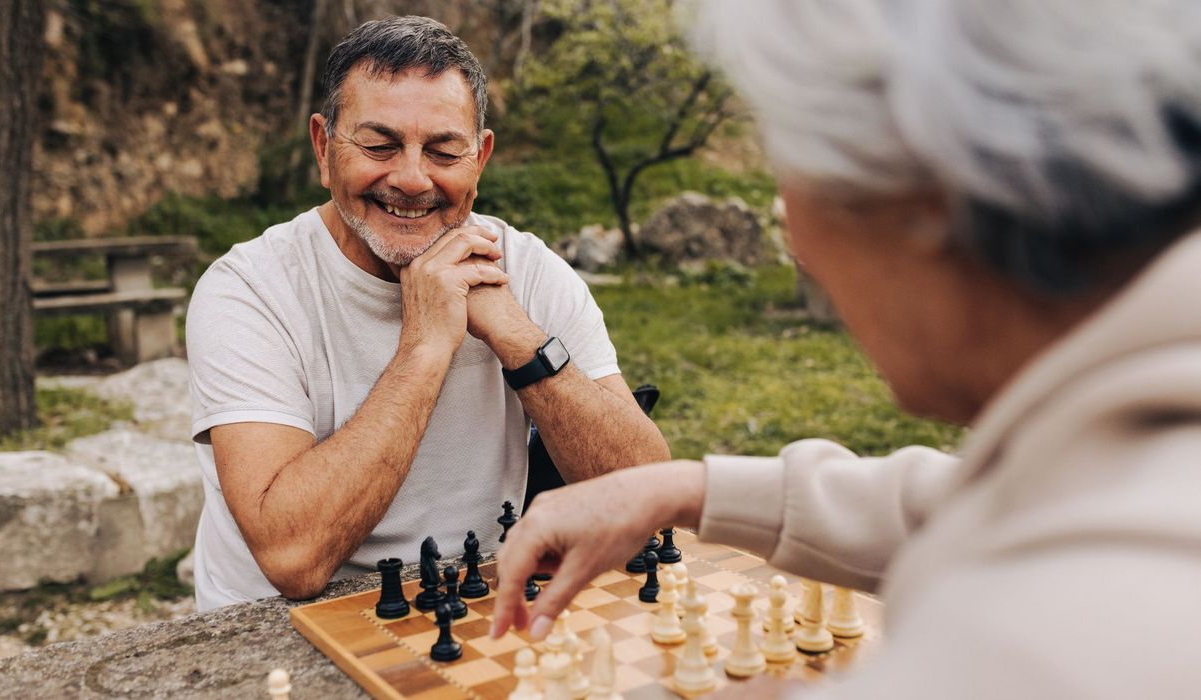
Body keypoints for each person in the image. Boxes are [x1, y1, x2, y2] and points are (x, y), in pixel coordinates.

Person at [491, 1, 1201, 696]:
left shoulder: (1030, 648)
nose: (798, 245)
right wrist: (684, 489)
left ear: (922, 192)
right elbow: (984, 501)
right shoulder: (1135, 439)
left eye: (790, 171)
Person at [185, 17, 669, 611]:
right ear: (322, 147)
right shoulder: (248, 290)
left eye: (443, 150)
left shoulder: (529, 269)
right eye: (379, 146)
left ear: (480, 157)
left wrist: (516, 337)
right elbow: (293, 557)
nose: (412, 179)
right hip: (277, 625)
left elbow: (647, 498)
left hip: (472, 600)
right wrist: (425, 345)